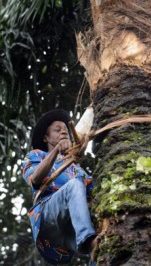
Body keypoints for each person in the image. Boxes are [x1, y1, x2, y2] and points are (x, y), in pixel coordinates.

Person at [22, 109, 98, 265]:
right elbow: (35, 179)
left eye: (65, 130)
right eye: (57, 130)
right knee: (74, 185)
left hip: (68, 230)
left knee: (101, 246)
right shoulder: (36, 155)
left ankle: (93, 247)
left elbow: (95, 190)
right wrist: (56, 150)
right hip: (47, 219)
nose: (63, 132)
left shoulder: (76, 169)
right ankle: (87, 237)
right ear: (46, 137)